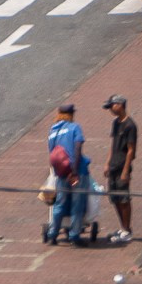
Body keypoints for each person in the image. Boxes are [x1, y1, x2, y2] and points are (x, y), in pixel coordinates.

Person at [45, 101, 87, 245]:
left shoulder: (53, 130)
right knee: (77, 204)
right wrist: (74, 171)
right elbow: (77, 148)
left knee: (59, 203)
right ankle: (74, 236)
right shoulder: (75, 127)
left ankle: (53, 234)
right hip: (76, 173)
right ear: (71, 114)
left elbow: (51, 152)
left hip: (61, 173)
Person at [103, 95, 137, 244]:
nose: (111, 109)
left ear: (120, 105)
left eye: (112, 106)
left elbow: (131, 150)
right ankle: (123, 228)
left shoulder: (130, 125)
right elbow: (113, 144)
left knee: (124, 199)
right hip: (113, 166)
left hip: (123, 166)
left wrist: (125, 170)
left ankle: (127, 229)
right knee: (115, 198)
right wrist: (107, 163)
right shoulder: (115, 123)